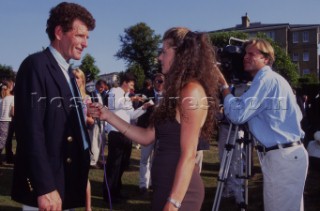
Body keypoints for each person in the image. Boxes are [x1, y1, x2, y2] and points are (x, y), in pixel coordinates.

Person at [89, 27, 220, 211]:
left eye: (164, 52)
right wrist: (107, 115)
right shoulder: (173, 93)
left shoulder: (191, 91)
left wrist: (174, 203)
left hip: (181, 193)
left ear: (181, 54)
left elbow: (189, 155)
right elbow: (146, 136)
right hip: (165, 187)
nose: (159, 57)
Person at [11, 2, 95, 210]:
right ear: (59, 32)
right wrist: (45, 186)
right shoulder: (36, 66)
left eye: (87, 37)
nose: (85, 43)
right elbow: (30, 131)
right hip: (49, 185)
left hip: (68, 178)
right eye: (80, 36)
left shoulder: (67, 72)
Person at [218, 38, 308, 211]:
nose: (245, 57)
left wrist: (224, 87)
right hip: (288, 156)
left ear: (266, 59)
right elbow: (296, 115)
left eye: (252, 53)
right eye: (245, 53)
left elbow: (237, 115)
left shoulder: (266, 80)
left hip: (282, 158)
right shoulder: (275, 80)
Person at [102, 72, 152, 203]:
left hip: (126, 133)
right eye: (131, 84)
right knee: (113, 164)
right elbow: (113, 106)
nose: (132, 87)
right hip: (116, 133)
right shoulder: (115, 90)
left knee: (123, 164)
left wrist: (144, 107)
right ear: (125, 82)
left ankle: (116, 190)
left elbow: (132, 115)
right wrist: (131, 99)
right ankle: (108, 193)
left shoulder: (126, 96)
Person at [137, 73, 165, 194]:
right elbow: (139, 110)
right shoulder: (146, 94)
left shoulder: (169, 96)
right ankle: (143, 185)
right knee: (144, 159)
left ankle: (154, 183)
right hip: (147, 130)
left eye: (162, 81)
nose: (160, 84)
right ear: (153, 82)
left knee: (157, 160)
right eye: (158, 81)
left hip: (162, 132)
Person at [73, 68, 95, 211]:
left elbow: (91, 121)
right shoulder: (65, 95)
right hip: (67, 139)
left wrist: (82, 117)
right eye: (73, 77)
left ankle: (88, 208)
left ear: (82, 80)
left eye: (77, 77)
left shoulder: (87, 98)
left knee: (83, 175)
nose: (75, 80)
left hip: (82, 139)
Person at [89, 79, 108, 168]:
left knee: (102, 140)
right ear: (96, 86)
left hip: (102, 120)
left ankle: (99, 158)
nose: (102, 89)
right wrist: (96, 116)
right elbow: (90, 107)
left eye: (103, 88)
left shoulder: (102, 95)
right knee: (95, 140)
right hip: (96, 121)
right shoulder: (91, 94)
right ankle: (93, 161)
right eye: (101, 87)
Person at [0, 80, 14, 164]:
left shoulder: (1, 98)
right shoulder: (12, 98)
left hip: (0, 120)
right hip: (6, 121)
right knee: (3, 142)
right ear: (9, 87)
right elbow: (13, 112)